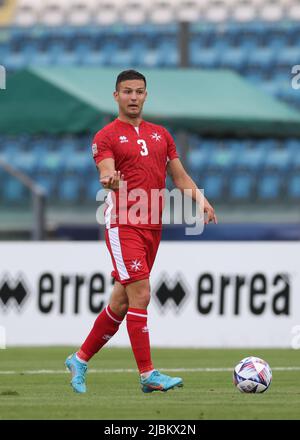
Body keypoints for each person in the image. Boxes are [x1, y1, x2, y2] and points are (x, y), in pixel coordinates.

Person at [65, 69, 217, 394]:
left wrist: (201, 200)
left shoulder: (161, 134)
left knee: (121, 303)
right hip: (123, 224)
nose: (133, 97)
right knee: (142, 294)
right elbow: (106, 171)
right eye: (127, 91)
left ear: (146, 95)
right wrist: (110, 180)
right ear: (115, 96)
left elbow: (179, 177)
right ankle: (148, 375)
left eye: (138, 91)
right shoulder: (105, 136)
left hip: (152, 226)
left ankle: (79, 359)